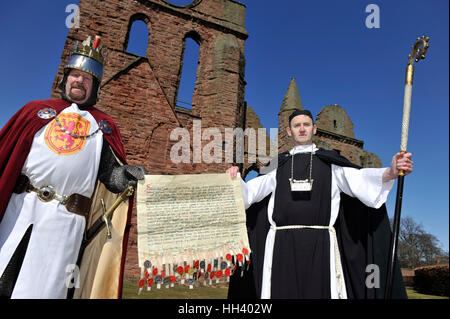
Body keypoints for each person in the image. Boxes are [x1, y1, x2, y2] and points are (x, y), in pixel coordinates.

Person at [0, 35, 146, 299]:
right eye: (75, 75)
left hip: (65, 224)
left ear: (96, 86)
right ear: (65, 79)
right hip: (18, 210)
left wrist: (123, 175)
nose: (79, 80)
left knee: (47, 290)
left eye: (87, 78)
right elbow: (6, 156)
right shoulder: (35, 111)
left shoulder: (103, 127)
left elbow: (108, 175)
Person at [226, 109, 413, 299]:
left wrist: (391, 171)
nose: (301, 129)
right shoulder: (276, 164)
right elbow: (250, 193)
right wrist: (234, 181)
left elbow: (360, 180)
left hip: (321, 245)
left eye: (306, 125)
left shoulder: (331, 162)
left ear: (314, 129)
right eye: (296, 125)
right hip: (281, 246)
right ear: (289, 131)